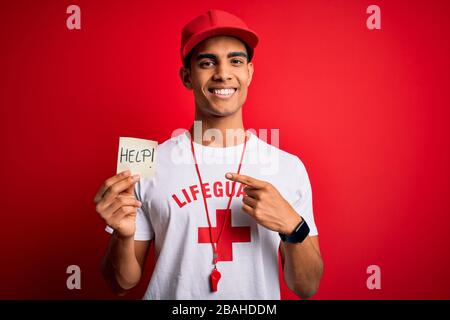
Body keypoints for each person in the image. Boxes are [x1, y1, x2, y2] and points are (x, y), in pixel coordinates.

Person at [94, 9, 323, 300]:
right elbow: (119, 284)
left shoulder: (288, 167)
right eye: (207, 62)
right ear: (187, 76)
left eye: (236, 61)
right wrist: (123, 236)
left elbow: (307, 287)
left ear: (249, 73)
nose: (223, 73)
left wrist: (294, 226)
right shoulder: (147, 163)